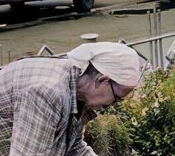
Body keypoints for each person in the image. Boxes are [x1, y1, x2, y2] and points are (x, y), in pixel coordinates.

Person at [0, 42, 143, 155]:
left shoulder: (77, 89)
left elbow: (73, 147)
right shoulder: (48, 92)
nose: (113, 104)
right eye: (117, 97)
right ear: (102, 80)